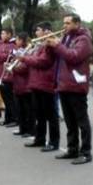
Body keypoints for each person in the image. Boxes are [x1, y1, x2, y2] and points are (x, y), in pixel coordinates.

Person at [46, 14, 93, 165]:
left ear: (77, 23)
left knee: (81, 121)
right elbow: (56, 58)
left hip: (76, 85)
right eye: (64, 22)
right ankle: (72, 149)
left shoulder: (83, 40)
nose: (64, 25)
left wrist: (57, 45)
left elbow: (74, 56)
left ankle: (86, 152)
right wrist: (49, 46)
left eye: (67, 23)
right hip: (63, 84)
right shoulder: (66, 38)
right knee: (69, 121)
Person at [20, 22, 60, 151]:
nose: (36, 33)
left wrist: (24, 58)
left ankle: (54, 142)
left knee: (51, 115)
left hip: (46, 84)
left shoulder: (49, 46)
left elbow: (43, 62)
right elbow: (33, 60)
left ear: (46, 31)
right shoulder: (38, 46)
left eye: (38, 30)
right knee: (39, 114)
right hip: (36, 83)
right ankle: (40, 139)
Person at [0, 28, 18, 127]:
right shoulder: (0, 44)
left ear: (9, 34)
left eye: (3, 33)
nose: (1, 35)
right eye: (1, 33)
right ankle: (7, 119)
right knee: (5, 99)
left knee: (10, 99)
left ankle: (15, 119)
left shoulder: (13, 45)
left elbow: (3, 58)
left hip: (7, 75)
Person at [11, 33, 34, 138]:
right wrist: (10, 65)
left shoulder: (28, 51)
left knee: (28, 109)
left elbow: (25, 68)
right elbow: (16, 64)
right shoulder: (17, 51)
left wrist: (13, 68)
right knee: (19, 108)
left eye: (17, 40)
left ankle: (30, 130)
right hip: (17, 83)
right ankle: (22, 128)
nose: (16, 41)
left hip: (26, 84)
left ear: (22, 40)